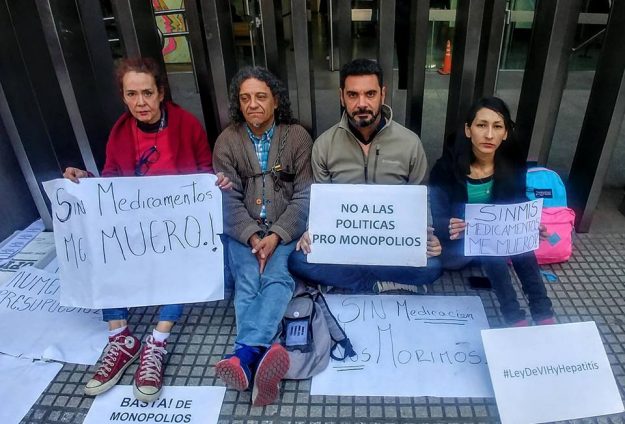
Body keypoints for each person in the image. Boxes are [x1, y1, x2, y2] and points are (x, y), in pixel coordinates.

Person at [63, 57, 231, 402]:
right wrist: (86, 181)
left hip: (176, 226)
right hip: (134, 225)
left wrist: (216, 183)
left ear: (161, 93)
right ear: (123, 97)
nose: (140, 102)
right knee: (103, 247)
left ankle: (157, 341)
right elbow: (110, 182)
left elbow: (203, 172)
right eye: (132, 94)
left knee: (183, 257)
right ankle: (121, 337)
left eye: (147, 93)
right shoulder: (120, 132)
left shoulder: (186, 125)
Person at [288, 58, 442, 294]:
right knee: (298, 261)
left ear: (383, 94)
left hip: (392, 244)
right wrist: (312, 231)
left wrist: (426, 234)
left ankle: (349, 281)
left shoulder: (410, 143)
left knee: (434, 266)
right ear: (342, 97)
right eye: (353, 95)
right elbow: (321, 203)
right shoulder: (324, 145)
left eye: (370, 94)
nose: (362, 103)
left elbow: (421, 197)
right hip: (344, 244)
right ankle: (377, 284)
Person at [212, 67, 313, 406]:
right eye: (245, 98)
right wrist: (254, 236)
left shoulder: (296, 137)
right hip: (244, 233)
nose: (252, 104)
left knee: (278, 277)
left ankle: (244, 355)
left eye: (260, 97)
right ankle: (261, 353)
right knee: (247, 279)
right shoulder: (227, 141)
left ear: (275, 101)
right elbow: (227, 200)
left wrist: (277, 236)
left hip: (285, 230)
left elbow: (305, 195)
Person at [429, 96, 555, 326]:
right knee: (490, 244)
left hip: (494, 241)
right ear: (468, 130)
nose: (489, 135)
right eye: (481, 125)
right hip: (455, 247)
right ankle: (513, 316)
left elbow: (517, 205)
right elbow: (435, 217)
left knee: (519, 245)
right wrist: (449, 225)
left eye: (497, 127)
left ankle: (543, 312)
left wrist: (529, 226)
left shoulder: (512, 165)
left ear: (505, 133)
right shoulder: (445, 168)